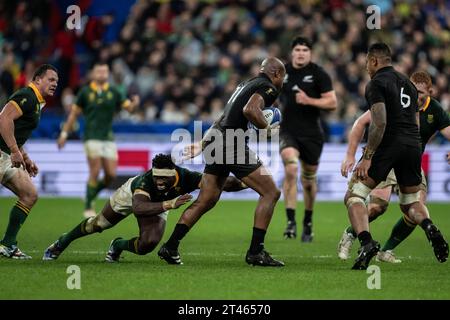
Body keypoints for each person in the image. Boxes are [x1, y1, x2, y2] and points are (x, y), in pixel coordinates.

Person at [157, 57, 286, 267]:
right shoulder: (268, 86)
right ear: (277, 74)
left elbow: (221, 119)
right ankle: (256, 252)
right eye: (283, 77)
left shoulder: (245, 84)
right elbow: (250, 110)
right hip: (231, 143)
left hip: (216, 140)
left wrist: (202, 143)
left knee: (206, 199)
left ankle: (170, 246)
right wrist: (268, 129)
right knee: (271, 192)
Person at [344, 42, 448, 270]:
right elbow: (416, 122)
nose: (366, 68)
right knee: (411, 202)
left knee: (354, 196)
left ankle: (366, 243)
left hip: (389, 146)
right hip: (413, 146)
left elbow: (379, 122)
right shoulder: (408, 84)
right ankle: (429, 226)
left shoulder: (376, 83)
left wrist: (368, 156)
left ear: (373, 61)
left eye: (366, 63)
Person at [42, 154, 246, 262]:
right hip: (131, 196)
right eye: (155, 176)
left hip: (161, 204)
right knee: (99, 224)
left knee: (148, 244)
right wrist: (169, 204)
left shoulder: (186, 177)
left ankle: (118, 245)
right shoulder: (145, 182)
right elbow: (139, 207)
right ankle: (62, 241)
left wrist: (246, 182)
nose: (158, 181)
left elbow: (222, 183)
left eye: (162, 178)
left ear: (173, 174)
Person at [57, 62, 140, 218]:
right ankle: (88, 206)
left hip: (108, 138)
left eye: (104, 71)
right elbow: (73, 115)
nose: (102, 74)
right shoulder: (85, 92)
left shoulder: (114, 91)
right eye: (99, 71)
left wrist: (135, 104)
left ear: (107, 74)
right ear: (93, 74)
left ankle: (91, 193)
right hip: (91, 137)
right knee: (95, 170)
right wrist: (64, 134)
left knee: (111, 175)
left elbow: (129, 108)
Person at [279, 36, 337, 242]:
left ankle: (308, 221)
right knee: (291, 168)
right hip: (288, 132)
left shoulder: (319, 74)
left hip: (312, 134)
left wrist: (309, 100)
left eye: (305, 49)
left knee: (309, 181)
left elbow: (332, 103)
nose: (301, 53)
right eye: (297, 49)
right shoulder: (282, 72)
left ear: (310, 53)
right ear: (292, 52)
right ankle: (290, 221)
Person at [0, 64, 59, 259]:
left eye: (56, 82)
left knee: (30, 194)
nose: (54, 84)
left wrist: (25, 158)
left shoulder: (37, 103)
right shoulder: (27, 96)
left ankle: (7, 244)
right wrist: (15, 150)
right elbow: (4, 119)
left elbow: (16, 131)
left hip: (7, 156)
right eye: (50, 80)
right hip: (2, 153)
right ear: (37, 79)